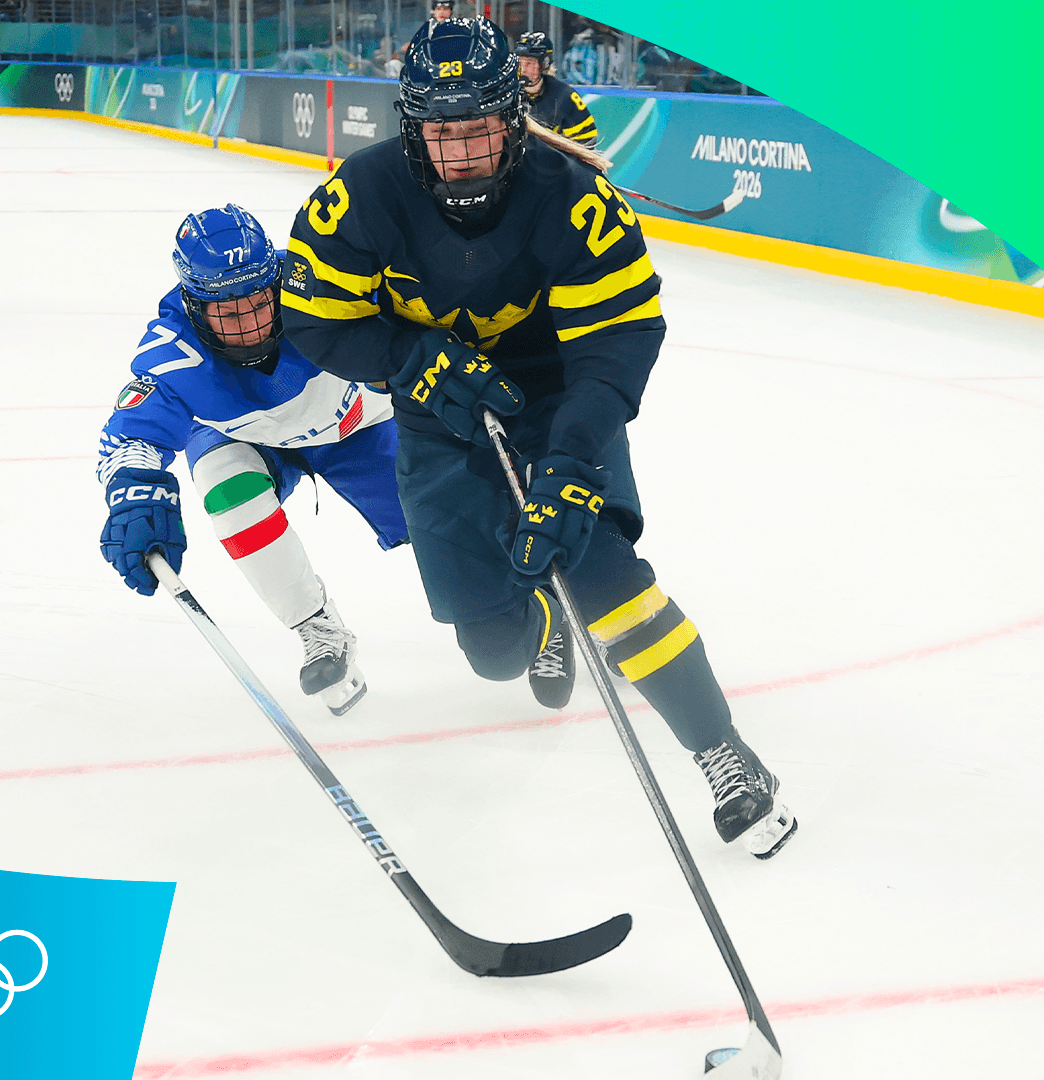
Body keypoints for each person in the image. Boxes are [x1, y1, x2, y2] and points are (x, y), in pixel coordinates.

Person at [278, 17, 797, 858]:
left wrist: (571, 456)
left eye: (481, 128)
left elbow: (619, 339)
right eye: (443, 133)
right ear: (412, 129)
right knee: (491, 653)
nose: (464, 153)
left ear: (513, 118)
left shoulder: (574, 197)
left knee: (608, 580)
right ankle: (542, 617)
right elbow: (313, 317)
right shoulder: (360, 194)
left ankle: (724, 753)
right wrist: (409, 357)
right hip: (436, 419)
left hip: (555, 403)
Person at [97, 206, 410, 716]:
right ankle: (316, 626)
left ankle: (532, 592)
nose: (249, 325)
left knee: (442, 522)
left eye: (258, 302)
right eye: (227, 311)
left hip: (359, 429)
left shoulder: (329, 283)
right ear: (193, 303)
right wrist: (134, 497)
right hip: (245, 439)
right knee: (226, 486)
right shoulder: (174, 350)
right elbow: (129, 437)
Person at [515, 31, 598, 148]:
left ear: (544, 64)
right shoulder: (505, 93)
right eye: (519, 63)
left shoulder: (565, 96)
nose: (523, 70)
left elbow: (586, 141)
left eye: (529, 64)